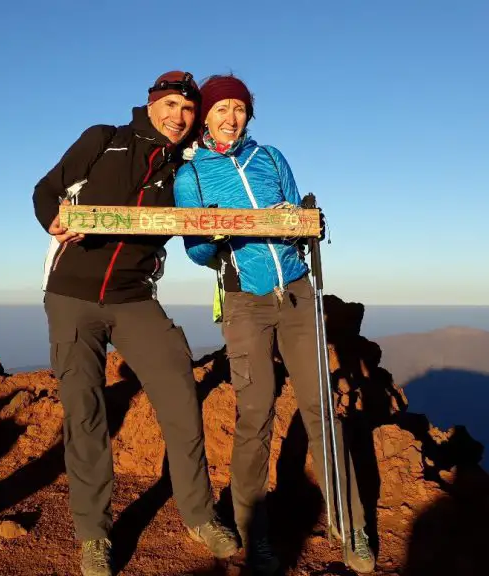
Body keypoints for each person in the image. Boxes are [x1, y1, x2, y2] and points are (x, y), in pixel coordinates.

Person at [32, 71, 239, 576]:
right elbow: (47, 189)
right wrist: (54, 220)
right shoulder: (104, 139)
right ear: (150, 105)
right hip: (71, 295)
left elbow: (207, 222)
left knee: (178, 391)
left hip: (134, 299)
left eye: (188, 110)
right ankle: (93, 535)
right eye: (170, 105)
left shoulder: (187, 167)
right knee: (84, 412)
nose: (178, 117)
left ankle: (199, 514)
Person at [172, 74, 376, 575]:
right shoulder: (191, 176)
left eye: (240, 109)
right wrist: (218, 231)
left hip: (298, 292)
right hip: (245, 300)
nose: (231, 117)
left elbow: (297, 217)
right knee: (255, 415)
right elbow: (196, 250)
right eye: (222, 109)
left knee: (320, 408)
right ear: (205, 116)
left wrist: (308, 222)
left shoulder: (271, 157)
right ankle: (252, 532)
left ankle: (351, 530)